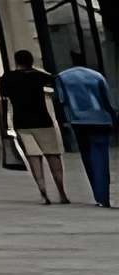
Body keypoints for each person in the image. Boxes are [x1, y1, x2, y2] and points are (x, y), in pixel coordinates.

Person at [0, 48, 66, 205]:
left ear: (16, 61)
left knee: (33, 157)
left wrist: (6, 125)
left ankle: (43, 191)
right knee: (53, 155)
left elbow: (4, 99)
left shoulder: (7, 78)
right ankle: (61, 192)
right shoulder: (40, 76)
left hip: (22, 123)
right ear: (31, 61)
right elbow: (54, 82)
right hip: (43, 121)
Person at [54, 53, 113, 209]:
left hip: (78, 121)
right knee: (101, 158)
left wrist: (64, 122)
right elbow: (107, 100)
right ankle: (104, 195)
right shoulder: (97, 76)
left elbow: (61, 100)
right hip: (101, 120)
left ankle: (97, 194)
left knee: (87, 157)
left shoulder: (62, 77)